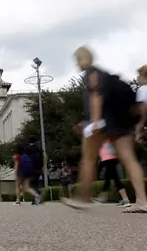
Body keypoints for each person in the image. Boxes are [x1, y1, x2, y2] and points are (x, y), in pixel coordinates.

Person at [62, 47, 147, 212]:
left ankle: (83, 198)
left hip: (103, 122)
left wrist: (93, 122)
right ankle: (142, 201)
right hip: (120, 123)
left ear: (81, 59)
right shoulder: (105, 74)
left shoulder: (92, 73)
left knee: (88, 160)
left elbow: (96, 97)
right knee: (129, 160)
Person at [93, 140, 131, 207]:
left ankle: (125, 199)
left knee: (115, 178)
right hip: (107, 158)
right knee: (107, 177)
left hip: (110, 158)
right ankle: (103, 198)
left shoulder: (107, 134)